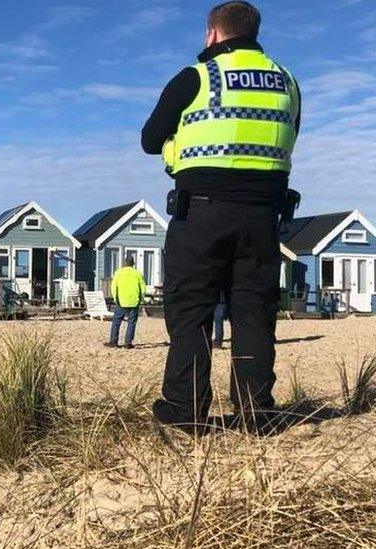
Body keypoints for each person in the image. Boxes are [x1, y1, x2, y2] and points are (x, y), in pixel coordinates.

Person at [141, 1, 301, 431]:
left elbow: (150, 139)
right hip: (264, 217)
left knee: (190, 309)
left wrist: (178, 151)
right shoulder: (288, 83)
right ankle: (255, 412)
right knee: (254, 312)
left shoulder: (196, 77)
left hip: (203, 214)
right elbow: (288, 141)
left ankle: (185, 409)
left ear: (212, 34)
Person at [106, 255, 147, 349]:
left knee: (116, 321)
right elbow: (143, 288)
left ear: (125, 263)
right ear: (133, 264)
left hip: (121, 301)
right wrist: (141, 299)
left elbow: (113, 287)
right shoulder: (137, 274)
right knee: (131, 322)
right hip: (134, 301)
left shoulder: (118, 273)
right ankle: (128, 343)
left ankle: (113, 341)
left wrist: (115, 298)